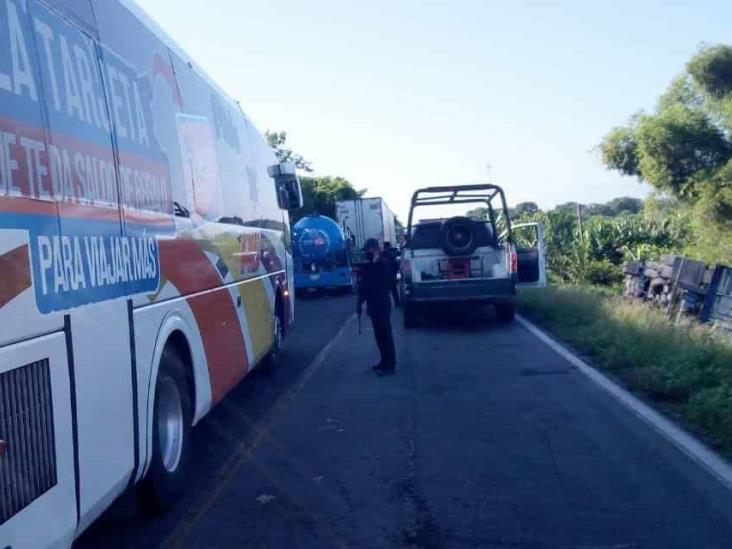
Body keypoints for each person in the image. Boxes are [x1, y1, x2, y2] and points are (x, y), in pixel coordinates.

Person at [357, 239, 396, 375]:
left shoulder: (382, 264)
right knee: (379, 335)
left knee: (385, 334)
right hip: (374, 304)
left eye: (369, 250)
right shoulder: (372, 264)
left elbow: (380, 284)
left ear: (375, 249)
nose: (367, 253)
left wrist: (367, 272)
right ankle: (384, 361)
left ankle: (390, 365)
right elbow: (366, 285)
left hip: (381, 303)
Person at [383, 241, 401, 307]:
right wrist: (396, 275)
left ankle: (386, 304)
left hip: (384, 276)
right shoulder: (391, 255)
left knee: (385, 291)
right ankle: (397, 303)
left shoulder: (381, 255)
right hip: (391, 275)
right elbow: (396, 266)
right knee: (394, 290)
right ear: (389, 247)